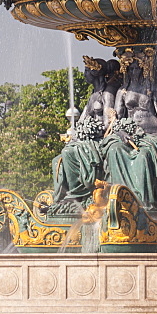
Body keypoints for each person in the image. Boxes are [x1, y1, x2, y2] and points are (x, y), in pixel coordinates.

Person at [101, 52, 157, 212]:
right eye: (130, 68)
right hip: (130, 134)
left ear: (143, 69)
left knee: (143, 157)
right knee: (114, 150)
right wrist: (120, 133)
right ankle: (121, 198)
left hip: (151, 135)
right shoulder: (122, 91)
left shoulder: (151, 88)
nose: (134, 72)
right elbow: (117, 118)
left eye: (137, 68)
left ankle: (145, 202)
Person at [52, 58, 122, 206]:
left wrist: (89, 131)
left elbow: (108, 122)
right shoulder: (93, 95)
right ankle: (62, 196)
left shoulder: (108, 93)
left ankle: (76, 194)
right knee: (59, 158)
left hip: (101, 137)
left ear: (96, 72)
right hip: (90, 136)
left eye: (87, 70)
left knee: (68, 152)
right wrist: (79, 132)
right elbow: (83, 120)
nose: (85, 74)